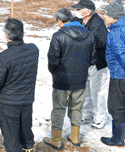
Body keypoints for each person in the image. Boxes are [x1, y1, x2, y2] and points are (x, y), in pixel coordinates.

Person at [0, 18, 39, 152]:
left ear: (7, 35)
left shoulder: (5, 56)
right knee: (26, 134)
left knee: (12, 139)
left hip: (9, 105)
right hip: (27, 102)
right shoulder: (33, 50)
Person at [43, 8, 96, 149]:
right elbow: (93, 59)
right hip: (81, 79)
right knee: (77, 108)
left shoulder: (58, 36)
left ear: (60, 21)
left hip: (62, 80)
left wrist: (54, 72)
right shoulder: (89, 35)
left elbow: (53, 60)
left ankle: (56, 140)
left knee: (59, 108)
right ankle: (75, 137)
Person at [71, 0, 110, 129]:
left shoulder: (98, 25)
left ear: (88, 12)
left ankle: (100, 118)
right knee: (86, 90)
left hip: (98, 64)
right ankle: (87, 115)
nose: (76, 12)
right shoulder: (81, 21)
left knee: (98, 92)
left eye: (78, 9)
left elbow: (99, 44)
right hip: (86, 63)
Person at [101, 0, 125, 146]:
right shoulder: (122, 27)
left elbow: (122, 55)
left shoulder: (116, 32)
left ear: (114, 16)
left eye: (106, 14)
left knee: (116, 107)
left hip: (119, 75)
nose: (104, 16)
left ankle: (118, 139)